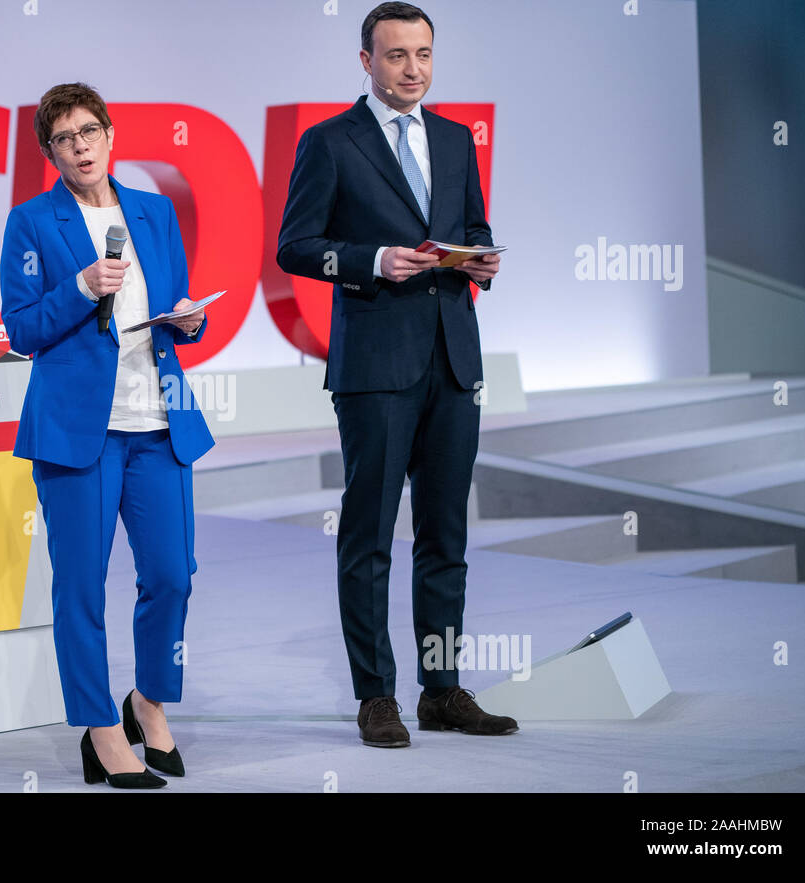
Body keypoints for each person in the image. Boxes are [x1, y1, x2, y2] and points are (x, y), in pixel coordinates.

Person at [276, 2, 518, 747]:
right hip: (376, 365)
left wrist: (478, 256)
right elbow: (295, 247)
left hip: (453, 356)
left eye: (423, 55)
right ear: (365, 61)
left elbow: (472, 224)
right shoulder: (330, 142)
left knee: (446, 535)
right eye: (396, 56)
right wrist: (373, 262)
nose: (412, 69)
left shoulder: (453, 139)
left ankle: (441, 689)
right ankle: (375, 693)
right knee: (371, 535)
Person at [0, 82, 214, 787]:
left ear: (111, 135)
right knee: (82, 589)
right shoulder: (32, 223)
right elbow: (23, 328)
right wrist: (83, 286)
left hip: (159, 422)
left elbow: (180, 303)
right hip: (78, 433)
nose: (81, 145)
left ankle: (147, 701)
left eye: (89, 130)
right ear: (50, 153)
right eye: (64, 138)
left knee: (171, 577)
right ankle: (100, 728)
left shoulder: (152, 211)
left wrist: (190, 318)